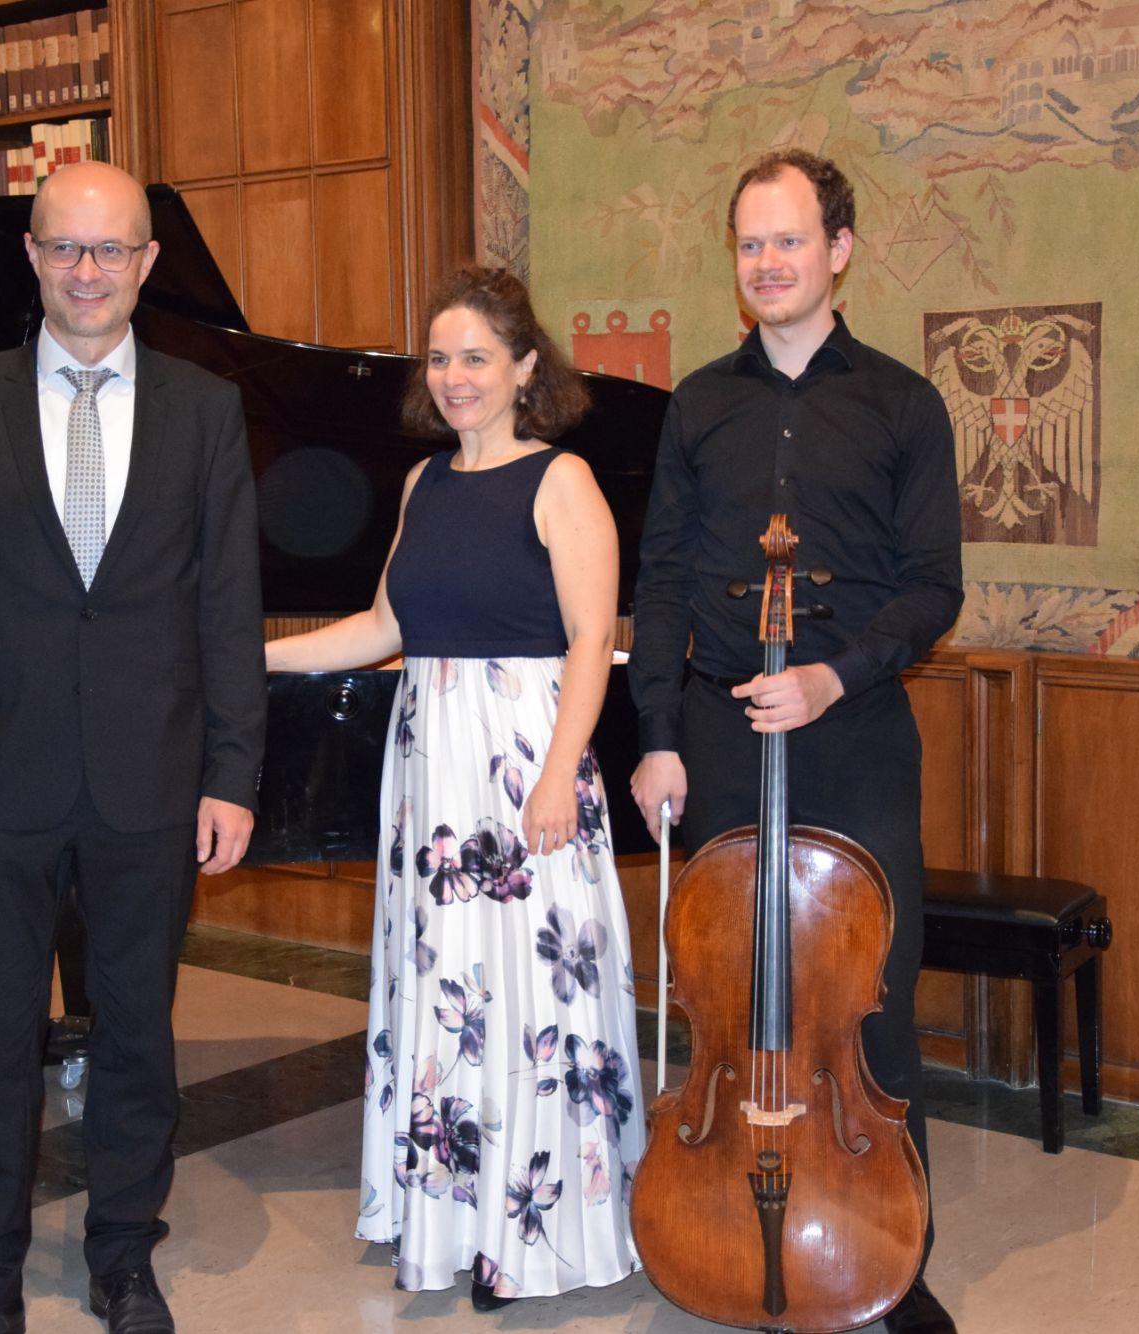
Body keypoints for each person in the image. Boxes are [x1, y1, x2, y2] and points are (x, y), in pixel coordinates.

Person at [0, 160, 266, 1334]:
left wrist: (232, 774)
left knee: (135, 1039)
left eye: (110, 249)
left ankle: (122, 1258)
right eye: (65, 246)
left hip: (149, 776)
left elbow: (227, 609)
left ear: (147, 262)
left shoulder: (204, 408)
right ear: (33, 256)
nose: (88, 270)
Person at [627, 148, 964, 1334]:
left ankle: (895, 1262)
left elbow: (931, 586)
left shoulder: (901, 404)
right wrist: (656, 733)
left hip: (853, 731)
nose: (766, 261)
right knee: (729, 1002)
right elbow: (661, 578)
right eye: (749, 242)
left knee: (866, 1007)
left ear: (838, 249)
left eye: (787, 239)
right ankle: (731, 1225)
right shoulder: (697, 406)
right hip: (719, 734)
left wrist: (830, 673)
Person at [266, 268, 643, 1310]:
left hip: (526, 763)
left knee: (531, 1001)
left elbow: (591, 638)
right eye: (439, 358)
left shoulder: (561, 479)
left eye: (476, 356)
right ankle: (453, 1225)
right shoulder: (422, 483)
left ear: (525, 367)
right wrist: (256, 657)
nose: (454, 376)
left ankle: (534, 1232)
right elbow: (383, 627)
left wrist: (559, 773)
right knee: (452, 995)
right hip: (432, 770)